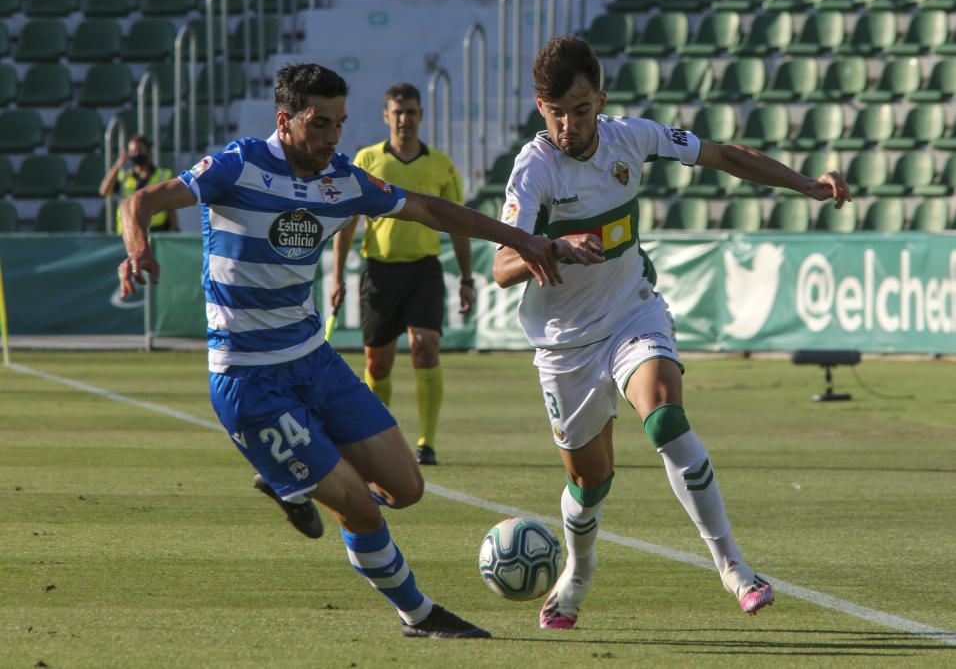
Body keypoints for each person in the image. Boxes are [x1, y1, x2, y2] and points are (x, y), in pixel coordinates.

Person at [116, 63, 563, 640]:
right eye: (320, 124)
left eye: (340, 124)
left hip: (314, 361)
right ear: (286, 121)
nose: (332, 138)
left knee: (407, 489)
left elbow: (429, 208)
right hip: (250, 381)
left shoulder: (342, 181)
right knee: (362, 507)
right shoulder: (238, 165)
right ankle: (418, 614)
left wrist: (521, 238)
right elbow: (143, 202)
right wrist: (137, 247)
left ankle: (294, 477)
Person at [492, 36, 852, 630]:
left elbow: (725, 155)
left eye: (580, 110)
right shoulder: (533, 169)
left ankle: (734, 567)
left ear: (599, 100)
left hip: (633, 313)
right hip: (563, 342)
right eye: (557, 112)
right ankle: (577, 575)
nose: (569, 125)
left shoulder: (631, 137)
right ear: (540, 106)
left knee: (664, 415)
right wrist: (550, 246)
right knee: (590, 479)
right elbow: (503, 265)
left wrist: (805, 185)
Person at [331, 83, 471, 467]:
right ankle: (379, 439)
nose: (404, 119)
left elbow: (458, 223)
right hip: (379, 271)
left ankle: (426, 442)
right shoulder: (368, 160)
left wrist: (466, 277)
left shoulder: (440, 164)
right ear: (386, 116)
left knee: (425, 347)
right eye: (398, 112)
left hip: (424, 270)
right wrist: (337, 275)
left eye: (411, 112)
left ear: (420, 115)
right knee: (378, 362)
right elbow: (347, 220)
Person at [99, 134, 178, 233]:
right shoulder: (124, 177)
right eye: (132, 151)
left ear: (148, 151)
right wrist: (118, 165)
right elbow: (104, 191)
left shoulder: (163, 175)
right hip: (128, 232)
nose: (136, 154)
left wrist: (175, 226)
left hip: (156, 231)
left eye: (139, 150)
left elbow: (170, 207)